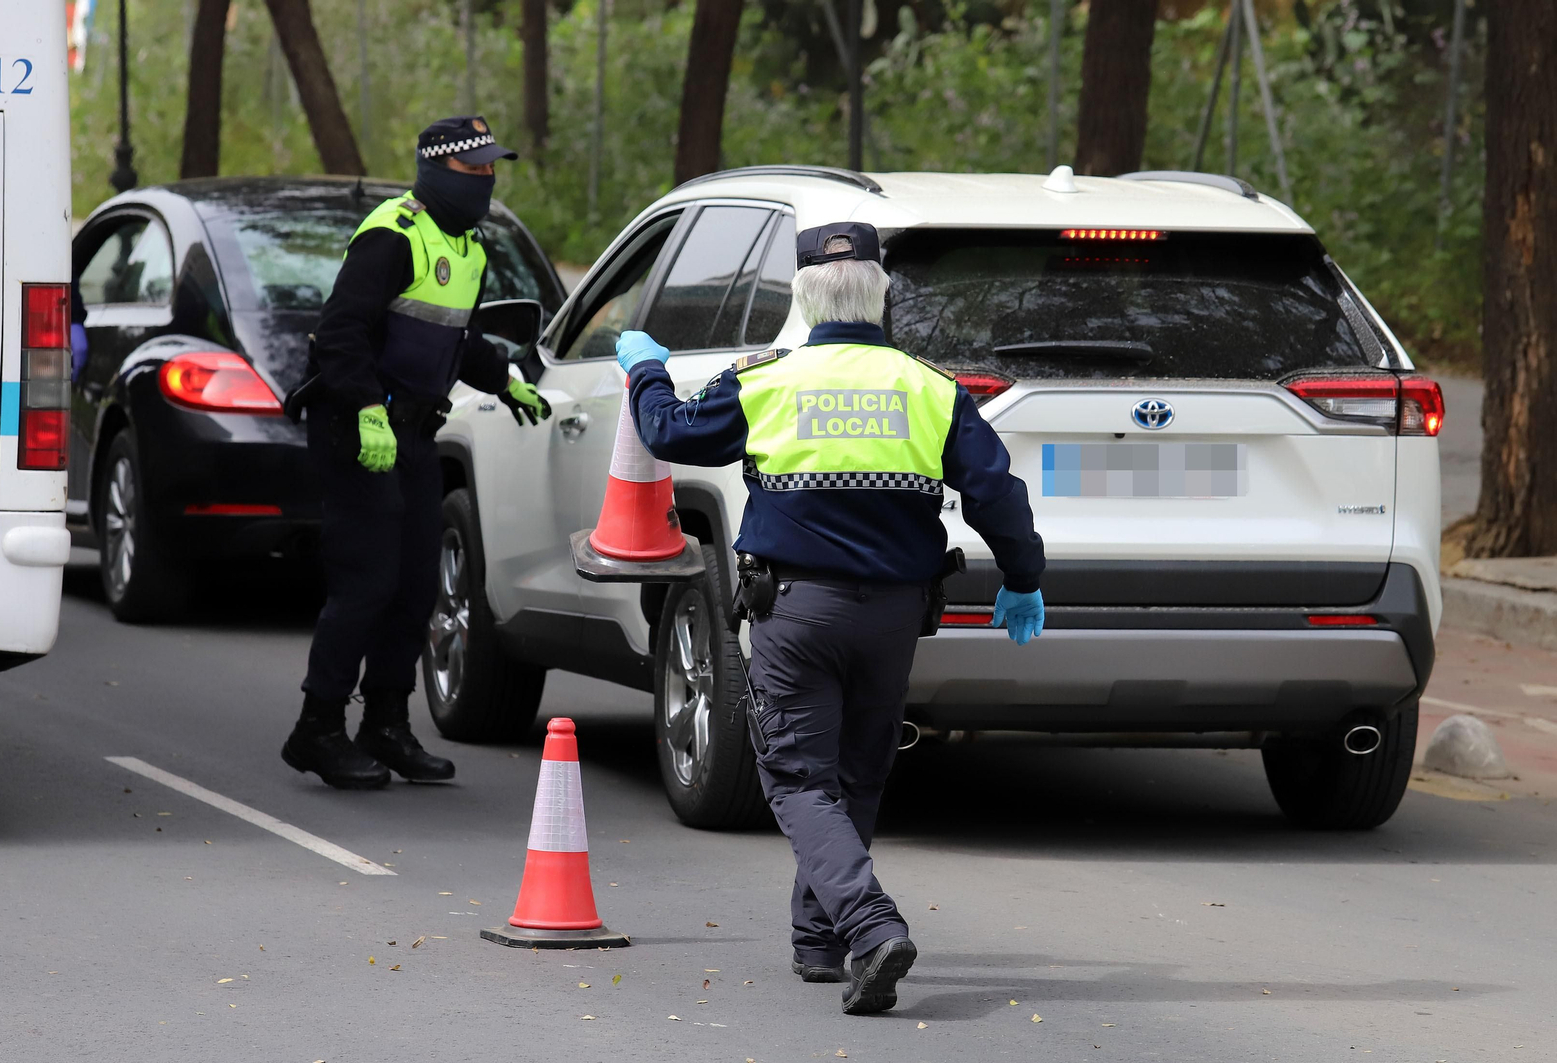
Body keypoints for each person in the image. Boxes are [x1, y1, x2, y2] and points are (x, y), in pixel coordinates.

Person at [617, 221, 1046, 1014]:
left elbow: (668, 431)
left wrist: (647, 372)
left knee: (795, 776)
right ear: (882, 294)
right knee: (857, 773)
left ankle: (869, 923)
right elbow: (996, 495)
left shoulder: (768, 381)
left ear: (803, 298)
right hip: (893, 616)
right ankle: (820, 942)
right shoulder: (929, 387)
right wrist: (1023, 577)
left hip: (797, 611)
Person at [280, 116, 551, 790]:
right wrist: (366, 407)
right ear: (435, 170)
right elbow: (340, 330)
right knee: (365, 580)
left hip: (415, 433)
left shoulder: (470, 250)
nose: (487, 180)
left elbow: (457, 340)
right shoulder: (391, 235)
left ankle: (386, 724)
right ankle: (316, 727)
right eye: (475, 169)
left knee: (414, 586)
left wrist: (504, 379)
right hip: (357, 428)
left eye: (493, 169)